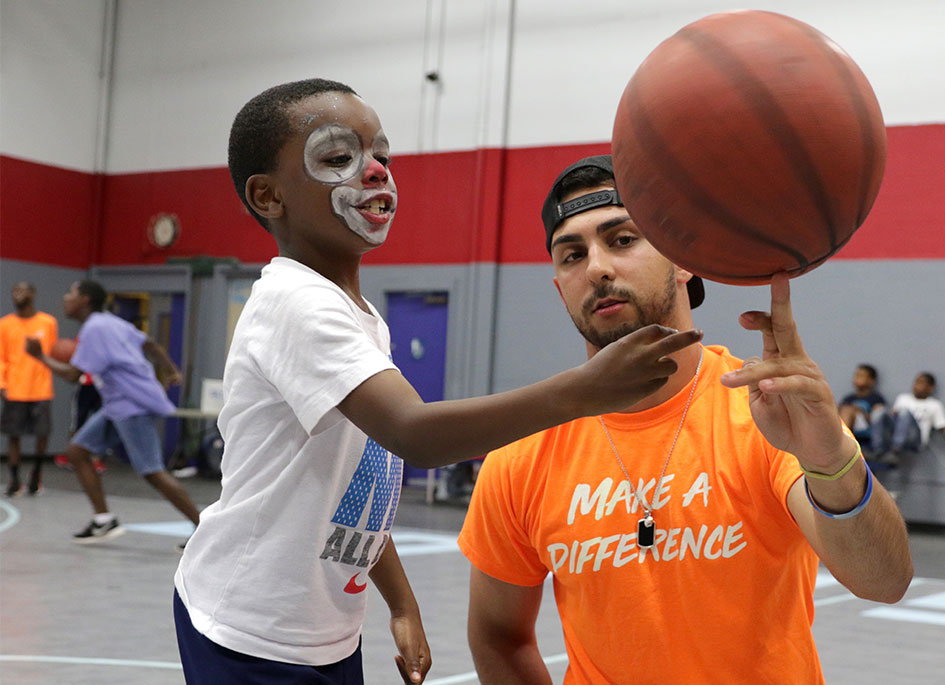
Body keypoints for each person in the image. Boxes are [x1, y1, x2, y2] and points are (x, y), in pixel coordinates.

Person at [172, 80, 700, 685]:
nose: (374, 173)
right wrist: (584, 391)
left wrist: (400, 601)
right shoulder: (294, 303)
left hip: (324, 628)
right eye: (340, 157)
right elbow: (415, 437)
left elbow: (356, 486)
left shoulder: (358, 319)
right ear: (268, 196)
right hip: (249, 629)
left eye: (382, 157)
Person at [458, 155, 913, 684]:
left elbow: (883, 580)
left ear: (682, 260)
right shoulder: (523, 452)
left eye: (622, 239)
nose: (597, 267)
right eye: (573, 255)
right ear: (561, 287)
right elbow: (498, 636)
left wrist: (827, 458)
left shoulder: (766, 411)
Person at [26, 280, 203, 541]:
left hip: (132, 405)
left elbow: (74, 375)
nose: (65, 298)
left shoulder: (95, 329)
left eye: (71, 293)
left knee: (152, 472)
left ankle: (205, 530)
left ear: (85, 300)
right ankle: (103, 520)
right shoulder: (110, 321)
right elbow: (150, 343)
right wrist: (171, 368)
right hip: (116, 405)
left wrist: (40, 357)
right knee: (77, 452)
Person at [0, 281, 57, 496]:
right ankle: (14, 480)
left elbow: (51, 355)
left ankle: (37, 474)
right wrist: (2, 384)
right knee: (13, 435)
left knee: (42, 435)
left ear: (32, 294)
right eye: (14, 291)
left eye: (22, 290)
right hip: (15, 389)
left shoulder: (47, 322)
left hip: (41, 388)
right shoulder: (4, 324)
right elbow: (1, 357)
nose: (17, 294)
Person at [872, 372, 945, 473]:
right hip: (896, 433)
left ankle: (895, 451)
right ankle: (877, 450)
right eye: (916, 382)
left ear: (930, 387)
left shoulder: (934, 405)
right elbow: (892, 418)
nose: (916, 385)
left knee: (904, 413)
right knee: (879, 411)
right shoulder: (903, 398)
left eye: (921, 383)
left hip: (915, 439)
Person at [838, 363, 886, 452]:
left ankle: (841, 442)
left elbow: (876, 420)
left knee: (847, 410)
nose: (856, 378)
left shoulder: (876, 398)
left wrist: (859, 411)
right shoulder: (849, 398)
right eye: (856, 375)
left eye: (861, 376)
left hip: (865, 428)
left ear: (871, 380)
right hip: (849, 426)